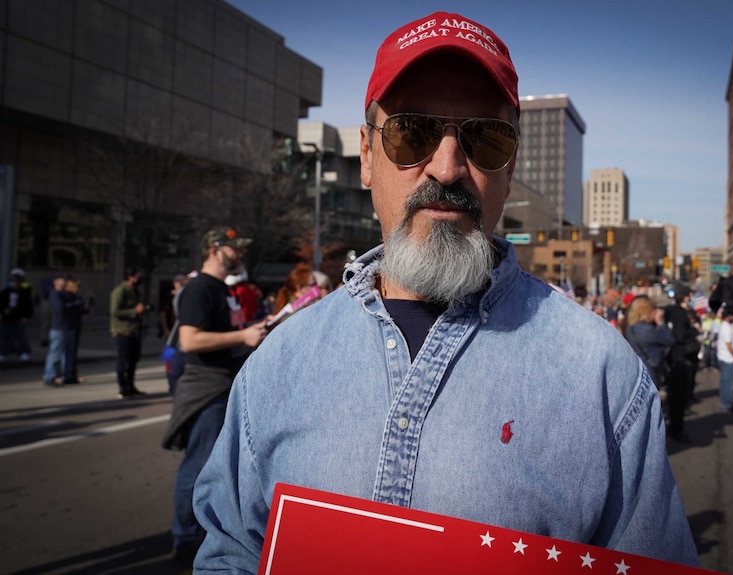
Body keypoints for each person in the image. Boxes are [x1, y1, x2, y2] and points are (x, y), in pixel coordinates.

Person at [192, 13, 698, 573]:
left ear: (510, 166)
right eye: (412, 132)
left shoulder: (603, 375)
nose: (449, 165)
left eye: (485, 138)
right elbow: (231, 551)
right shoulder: (278, 365)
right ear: (365, 156)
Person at [161, 226, 268, 568]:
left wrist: (255, 329)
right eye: (234, 249)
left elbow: (233, 332)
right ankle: (186, 540)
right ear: (214, 250)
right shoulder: (199, 288)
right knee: (197, 470)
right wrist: (242, 335)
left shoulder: (224, 290)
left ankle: (209, 534)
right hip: (207, 390)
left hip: (227, 385)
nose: (240, 254)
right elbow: (189, 341)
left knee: (222, 469)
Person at [664, 285, 700, 441]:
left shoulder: (673, 312)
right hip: (680, 358)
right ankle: (676, 430)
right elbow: (679, 335)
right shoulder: (678, 313)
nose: (691, 298)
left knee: (677, 397)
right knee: (679, 398)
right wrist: (693, 330)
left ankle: (675, 428)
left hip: (676, 357)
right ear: (684, 296)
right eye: (689, 295)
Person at [110, 269, 146, 398]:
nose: (139, 279)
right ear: (130, 277)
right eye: (137, 276)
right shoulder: (120, 291)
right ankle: (123, 387)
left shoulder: (135, 291)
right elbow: (115, 311)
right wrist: (134, 311)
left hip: (135, 330)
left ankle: (131, 386)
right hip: (123, 330)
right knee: (123, 361)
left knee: (133, 360)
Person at [624, 295, 673, 389]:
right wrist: (661, 322)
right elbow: (669, 339)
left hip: (639, 370)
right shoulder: (648, 330)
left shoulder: (630, 328)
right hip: (652, 371)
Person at [0, 267, 34, 361]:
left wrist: (26, 317)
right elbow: (1, 303)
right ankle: (3, 352)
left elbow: (29, 306)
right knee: (4, 336)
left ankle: (23, 352)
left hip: (19, 318)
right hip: (7, 318)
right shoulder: (5, 292)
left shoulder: (24, 292)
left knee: (21, 336)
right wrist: (4, 310)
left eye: (17, 279)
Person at [61, 277, 89, 384]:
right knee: (69, 351)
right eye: (78, 286)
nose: (79, 289)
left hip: (75, 325)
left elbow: (84, 308)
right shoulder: (67, 296)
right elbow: (69, 308)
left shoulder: (77, 297)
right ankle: (69, 375)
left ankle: (72, 374)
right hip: (69, 326)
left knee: (72, 351)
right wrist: (77, 307)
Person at [42, 274, 67, 386]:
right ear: (57, 284)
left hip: (62, 327)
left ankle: (63, 375)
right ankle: (49, 376)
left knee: (63, 353)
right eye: (62, 283)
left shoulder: (62, 295)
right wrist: (70, 305)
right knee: (55, 352)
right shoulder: (55, 294)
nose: (64, 285)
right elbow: (60, 309)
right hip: (58, 327)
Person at [716, 306, 733, 413]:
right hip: (727, 358)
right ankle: (726, 404)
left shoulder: (728, 325)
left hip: (725, 357)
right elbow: (729, 345)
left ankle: (725, 401)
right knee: (728, 383)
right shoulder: (726, 327)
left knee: (725, 381)